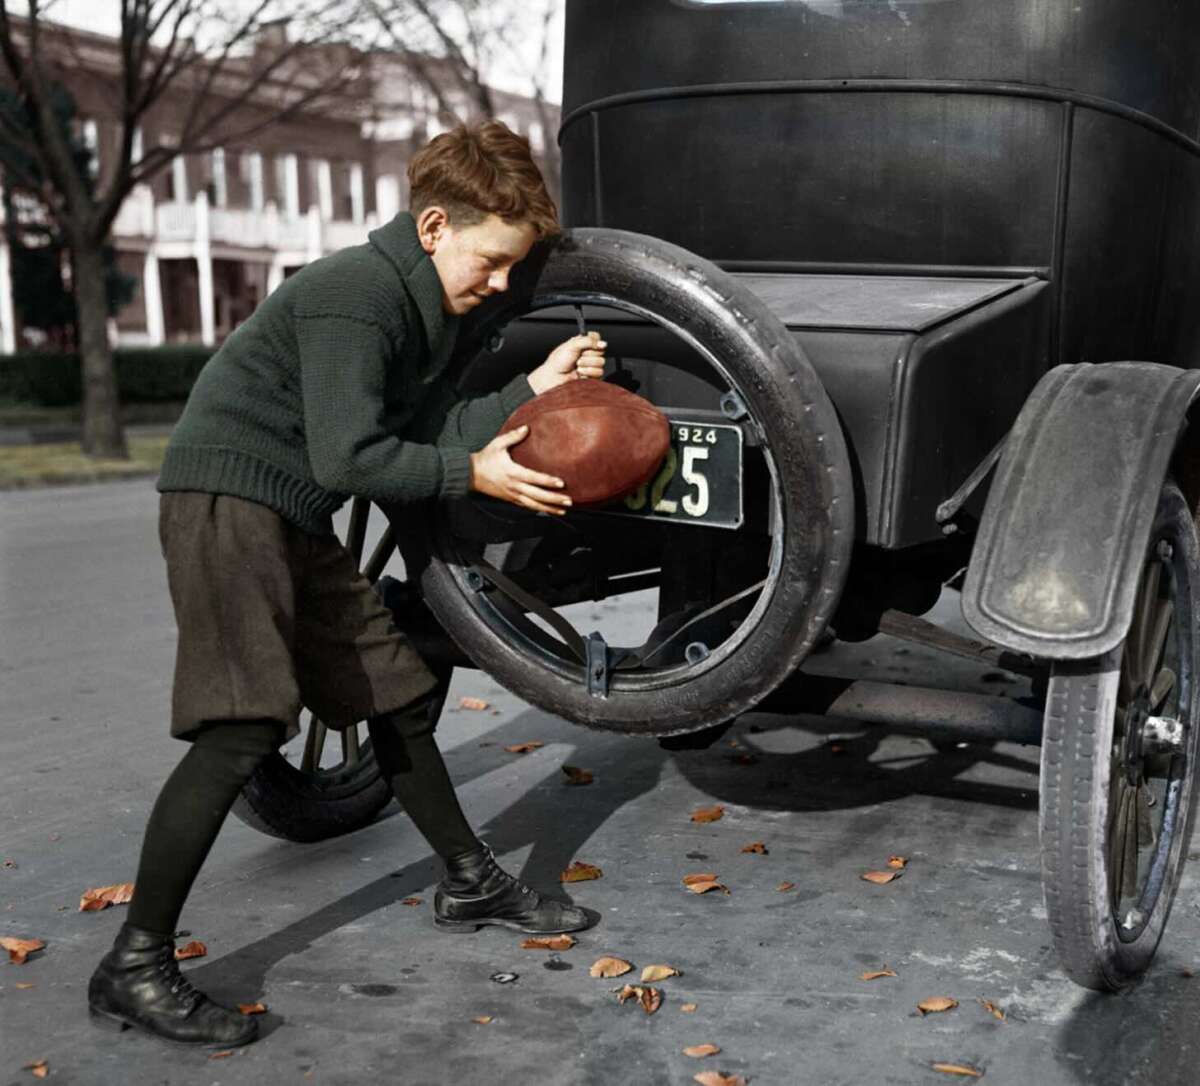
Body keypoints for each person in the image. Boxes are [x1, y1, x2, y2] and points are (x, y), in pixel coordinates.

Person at [87, 121, 606, 1049]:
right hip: (226, 500)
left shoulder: (417, 306)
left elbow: (431, 428)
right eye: (490, 263)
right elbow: (355, 453)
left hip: (293, 507)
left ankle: (468, 880)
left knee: (396, 698)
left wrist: (532, 386)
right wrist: (471, 476)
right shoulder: (357, 295)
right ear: (435, 224)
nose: (497, 285)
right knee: (241, 724)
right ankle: (134, 963)